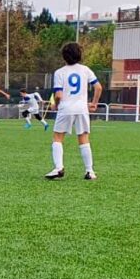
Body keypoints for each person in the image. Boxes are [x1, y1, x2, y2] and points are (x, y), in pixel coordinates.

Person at [45, 42, 102, 180]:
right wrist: (94, 104)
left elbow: (58, 95)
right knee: (83, 139)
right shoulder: (85, 70)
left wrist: (56, 105)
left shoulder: (60, 72)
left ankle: (59, 168)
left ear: (64, 57)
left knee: (58, 137)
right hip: (82, 109)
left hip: (66, 108)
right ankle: (90, 171)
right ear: (80, 55)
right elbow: (98, 87)